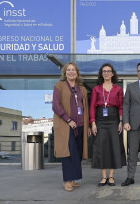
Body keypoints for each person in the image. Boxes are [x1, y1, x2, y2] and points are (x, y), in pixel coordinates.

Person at [52, 62, 90, 192]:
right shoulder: (59, 86)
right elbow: (56, 105)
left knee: (77, 152)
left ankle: (74, 179)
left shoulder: (82, 89)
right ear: (65, 72)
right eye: (68, 70)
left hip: (80, 125)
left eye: (73, 70)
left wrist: (88, 125)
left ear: (77, 73)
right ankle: (67, 180)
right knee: (68, 152)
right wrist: (68, 120)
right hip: (65, 125)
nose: (71, 72)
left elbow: (85, 108)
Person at [90, 63, 126, 186]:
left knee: (113, 146)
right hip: (100, 119)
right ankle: (103, 176)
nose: (106, 73)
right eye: (104, 71)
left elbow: (121, 107)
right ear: (101, 73)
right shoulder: (96, 89)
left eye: (108, 71)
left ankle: (111, 176)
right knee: (102, 147)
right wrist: (93, 123)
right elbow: (92, 107)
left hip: (114, 119)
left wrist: (121, 121)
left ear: (112, 73)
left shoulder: (118, 89)